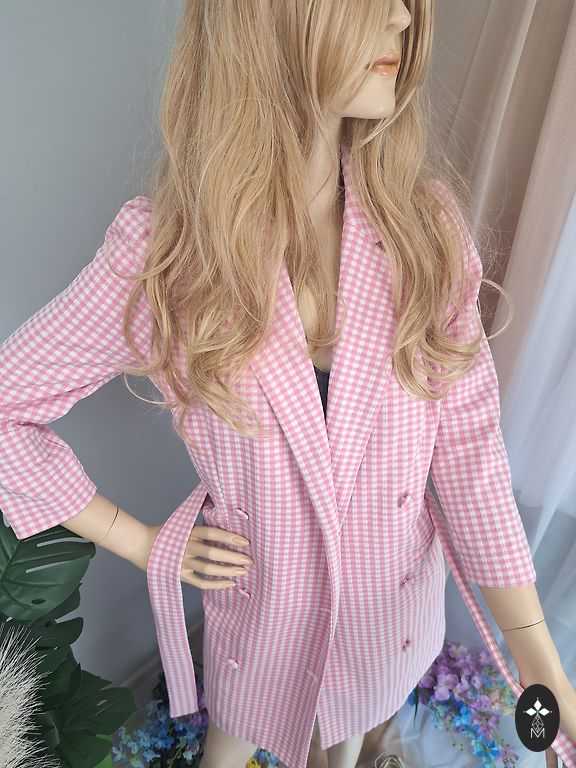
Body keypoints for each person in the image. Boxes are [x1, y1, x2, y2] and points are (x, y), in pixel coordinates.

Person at [1, 2, 575, 768]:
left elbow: (468, 453)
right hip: (263, 618)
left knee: (352, 734)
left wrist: (536, 652)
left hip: (389, 611)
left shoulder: (424, 232)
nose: (401, 18)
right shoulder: (168, 256)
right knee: (231, 745)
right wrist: (142, 543)